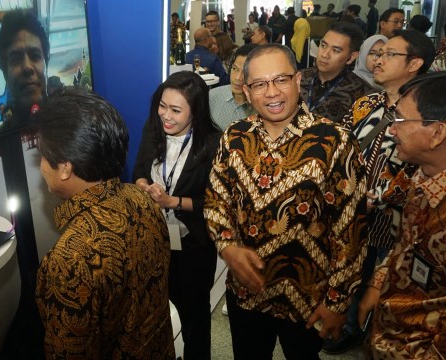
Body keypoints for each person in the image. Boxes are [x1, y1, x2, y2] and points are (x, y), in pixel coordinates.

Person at [204, 44, 368, 359]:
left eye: (281, 79)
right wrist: (226, 245)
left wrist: (337, 302)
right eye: (260, 84)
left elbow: (351, 230)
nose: (272, 92)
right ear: (248, 92)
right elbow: (216, 198)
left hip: (308, 297)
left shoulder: (334, 141)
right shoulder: (234, 137)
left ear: (298, 80)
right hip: (247, 292)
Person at [33, 87, 175, 358]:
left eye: (42, 155)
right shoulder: (141, 197)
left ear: (64, 168)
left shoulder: (69, 261)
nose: (40, 165)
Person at [325, 29, 437, 354]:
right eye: (377, 53)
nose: (378, 60)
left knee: (386, 281)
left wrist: (381, 196)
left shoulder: (424, 113)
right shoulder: (365, 103)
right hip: (351, 217)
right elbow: (340, 148)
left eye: (389, 54)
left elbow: (427, 167)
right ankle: (347, 326)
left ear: (415, 62)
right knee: (350, 272)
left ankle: (369, 330)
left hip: (396, 224)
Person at [357, 71, 446, 360]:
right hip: (388, 333)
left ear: (437, 133)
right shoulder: (420, 177)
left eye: (400, 121)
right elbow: (403, 246)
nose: (391, 130)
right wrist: (376, 284)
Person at [134, 71, 220, 359]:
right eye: (162, 106)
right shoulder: (153, 129)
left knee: (195, 314)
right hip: (156, 239)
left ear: (195, 111)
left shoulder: (214, 145)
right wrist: (144, 185)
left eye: (175, 110)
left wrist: (172, 200)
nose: (165, 116)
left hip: (194, 243)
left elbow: (214, 203)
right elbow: (139, 171)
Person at [300, 22, 374, 124]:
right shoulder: (299, 77)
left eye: (335, 50)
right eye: (323, 45)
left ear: (351, 57)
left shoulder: (362, 95)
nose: (325, 54)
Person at [0, 9, 49, 132]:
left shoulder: (73, 121)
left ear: (46, 64)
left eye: (35, 56)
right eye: (16, 60)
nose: (27, 67)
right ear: (5, 73)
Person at [209, 44, 259, 130]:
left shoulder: (265, 102)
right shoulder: (212, 97)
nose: (238, 77)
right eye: (235, 69)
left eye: (246, 72)